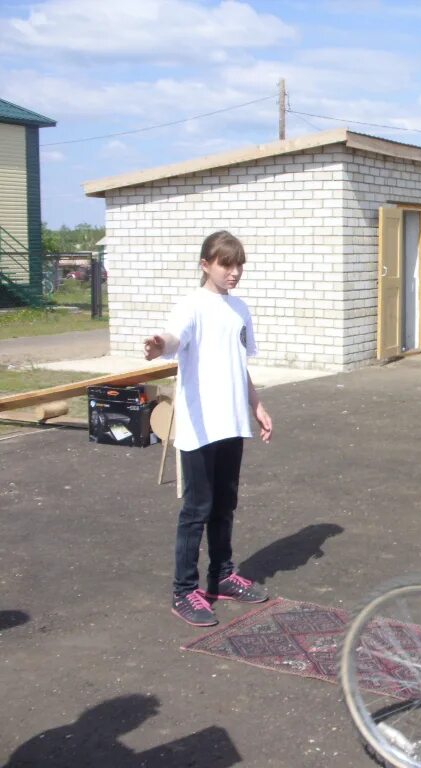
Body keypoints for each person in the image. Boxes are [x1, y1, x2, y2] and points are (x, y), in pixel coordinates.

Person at [143, 230, 273, 627]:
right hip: (200, 428)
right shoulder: (192, 305)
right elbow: (174, 337)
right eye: (225, 265)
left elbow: (240, 363)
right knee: (195, 510)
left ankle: (221, 577)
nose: (234, 272)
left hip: (232, 423)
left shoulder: (240, 309)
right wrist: (158, 344)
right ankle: (184, 591)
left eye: (239, 265)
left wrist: (257, 405)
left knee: (225, 505)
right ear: (206, 265)